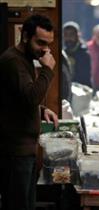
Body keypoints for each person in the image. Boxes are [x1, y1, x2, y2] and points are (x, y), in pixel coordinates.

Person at [0, 14, 58, 210]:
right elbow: (30, 97)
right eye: (40, 42)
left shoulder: (25, 59)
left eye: (48, 44)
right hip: (15, 152)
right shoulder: (13, 61)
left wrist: (42, 110)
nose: (45, 49)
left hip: (25, 151)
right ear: (25, 37)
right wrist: (48, 71)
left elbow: (18, 99)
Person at [63, 21, 91, 87]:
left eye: (71, 35)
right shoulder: (63, 54)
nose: (68, 38)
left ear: (78, 35)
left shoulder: (85, 54)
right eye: (66, 35)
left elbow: (84, 79)